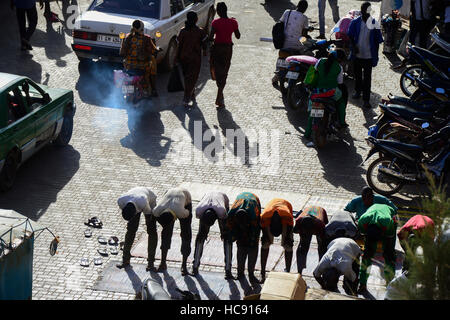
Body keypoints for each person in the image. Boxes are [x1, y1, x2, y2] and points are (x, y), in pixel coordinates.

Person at [304, 48, 348, 140]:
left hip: (317, 92)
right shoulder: (339, 67)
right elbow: (340, 83)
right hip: (331, 92)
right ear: (339, 59)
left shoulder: (320, 61)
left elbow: (314, 72)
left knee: (312, 113)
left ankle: (307, 133)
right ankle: (342, 122)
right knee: (341, 102)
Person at [347, 2, 383, 109]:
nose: (364, 12)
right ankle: (358, 91)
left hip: (368, 56)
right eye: (363, 9)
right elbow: (350, 35)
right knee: (357, 76)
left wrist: (375, 55)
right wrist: (354, 46)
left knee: (367, 79)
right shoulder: (355, 22)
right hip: (357, 55)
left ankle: (366, 100)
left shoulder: (374, 23)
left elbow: (379, 40)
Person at [151, 187, 192, 275]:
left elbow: (187, 214)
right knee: (165, 234)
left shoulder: (181, 212)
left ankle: (184, 265)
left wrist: (183, 231)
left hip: (185, 196)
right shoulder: (157, 211)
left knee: (186, 234)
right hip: (169, 195)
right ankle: (163, 263)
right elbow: (154, 217)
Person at [357, 203, 397, 293]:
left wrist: (388, 251)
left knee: (389, 256)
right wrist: (367, 251)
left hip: (389, 224)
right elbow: (362, 238)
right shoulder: (362, 221)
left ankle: (390, 284)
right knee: (366, 257)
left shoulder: (387, 222)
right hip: (372, 227)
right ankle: (362, 284)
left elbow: (390, 237)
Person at [208, 2, 241, 109]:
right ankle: (219, 95)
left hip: (217, 48)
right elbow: (238, 36)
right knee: (224, 71)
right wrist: (233, 23)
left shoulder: (215, 22)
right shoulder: (233, 22)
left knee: (217, 70)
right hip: (227, 49)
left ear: (217, 12)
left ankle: (219, 95)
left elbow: (211, 36)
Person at [116, 187, 157, 270]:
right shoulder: (120, 201)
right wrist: (132, 223)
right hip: (135, 197)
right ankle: (125, 259)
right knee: (130, 230)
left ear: (135, 212)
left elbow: (148, 215)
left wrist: (150, 222)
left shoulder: (143, 202)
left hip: (149, 201)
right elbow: (127, 214)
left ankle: (151, 263)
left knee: (151, 231)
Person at [224, 192, 261, 283]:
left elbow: (255, 234)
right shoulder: (231, 215)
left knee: (253, 247)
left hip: (254, 202)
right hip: (240, 214)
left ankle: (251, 274)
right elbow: (230, 232)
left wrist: (251, 242)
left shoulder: (254, 215)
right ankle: (240, 273)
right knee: (241, 247)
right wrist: (236, 236)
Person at [192, 191, 230, 276]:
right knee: (201, 237)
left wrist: (223, 232)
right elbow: (202, 228)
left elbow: (225, 221)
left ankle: (228, 269)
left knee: (227, 237)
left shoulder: (222, 211)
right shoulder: (199, 211)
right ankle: (195, 266)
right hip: (207, 198)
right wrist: (204, 233)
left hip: (222, 199)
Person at [176, 11, 208, 108]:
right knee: (193, 77)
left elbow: (179, 46)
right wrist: (205, 51)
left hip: (184, 58)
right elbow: (204, 44)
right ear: (196, 19)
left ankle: (192, 93)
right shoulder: (200, 31)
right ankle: (186, 98)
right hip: (195, 59)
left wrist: (177, 58)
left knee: (187, 77)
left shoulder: (182, 31)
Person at [119, 20, 158, 98]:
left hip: (128, 65)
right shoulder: (146, 38)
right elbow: (153, 51)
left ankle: (128, 92)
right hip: (141, 66)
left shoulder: (128, 37)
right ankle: (152, 90)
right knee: (152, 67)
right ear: (142, 28)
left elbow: (122, 52)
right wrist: (157, 49)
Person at [259, 198, 295, 282]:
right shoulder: (264, 217)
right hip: (270, 215)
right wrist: (266, 237)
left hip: (285, 208)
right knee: (265, 243)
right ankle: (262, 272)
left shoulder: (287, 217)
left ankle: (288, 271)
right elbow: (264, 231)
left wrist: (287, 239)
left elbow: (289, 228)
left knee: (288, 245)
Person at [293, 206, 329, 274]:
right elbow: (295, 231)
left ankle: (321, 268)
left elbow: (323, 239)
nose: (308, 233)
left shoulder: (320, 225)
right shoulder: (299, 220)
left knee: (322, 247)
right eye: (306, 231)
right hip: (309, 210)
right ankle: (299, 271)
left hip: (320, 211)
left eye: (309, 232)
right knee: (303, 247)